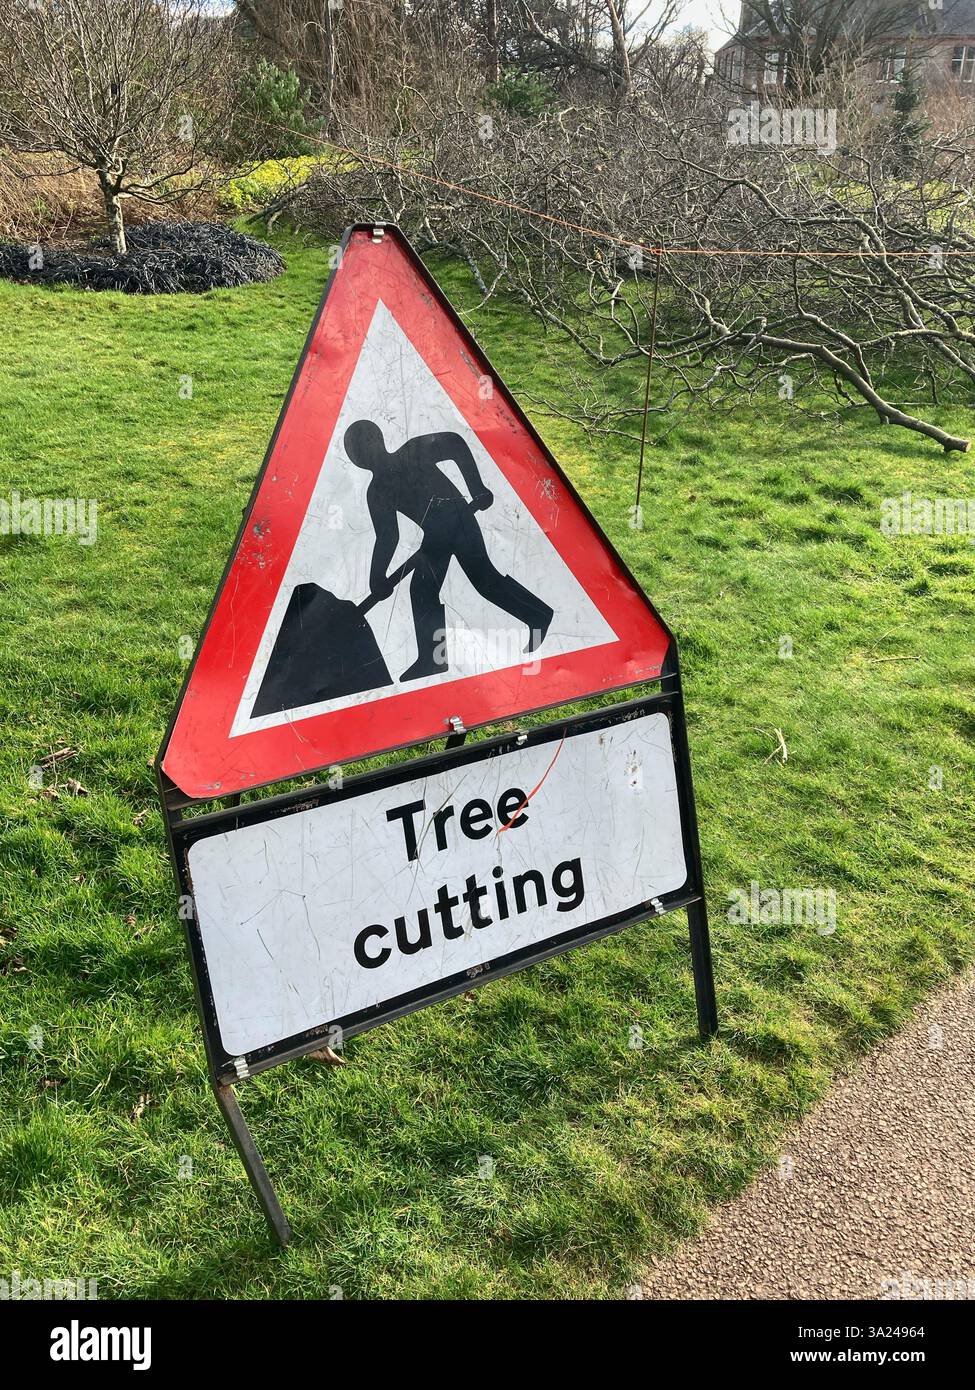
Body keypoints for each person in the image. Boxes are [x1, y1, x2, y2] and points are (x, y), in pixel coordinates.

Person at [344, 419, 554, 682]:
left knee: (485, 582)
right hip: (434, 536)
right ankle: (432, 660)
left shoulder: (412, 451)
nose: (360, 456)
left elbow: (454, 444)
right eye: (354, 453)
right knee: (422, 591)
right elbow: (387, 536)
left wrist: (476, 487)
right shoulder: (377, 492)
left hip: (460, 520)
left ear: (378, 440)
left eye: (362, 447)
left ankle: (539, 615)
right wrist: (377, 577)